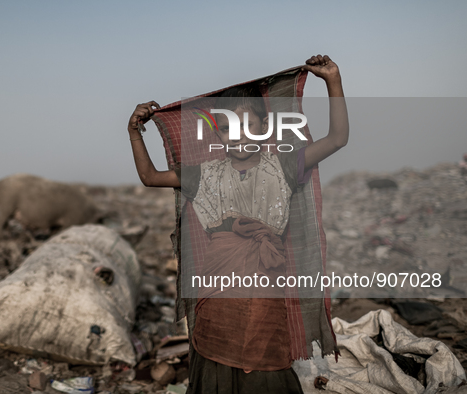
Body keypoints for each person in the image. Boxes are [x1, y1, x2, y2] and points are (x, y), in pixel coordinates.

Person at [127, 55, 349, 393]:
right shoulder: (204, 174)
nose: (238, 136)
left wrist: (333, 81)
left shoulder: (283, 167)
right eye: (229, 128)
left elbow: (337, 139)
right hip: (217, 287)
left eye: (248, 127)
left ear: (264, 128)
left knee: (264, 359)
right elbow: (149, 177)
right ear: (219, 133)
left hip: (265, 286)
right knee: (214, 357)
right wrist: (134, 133)